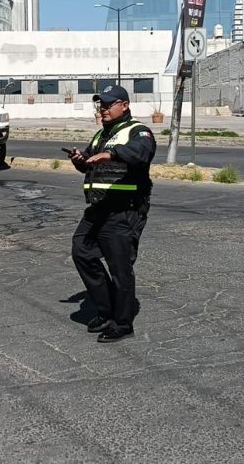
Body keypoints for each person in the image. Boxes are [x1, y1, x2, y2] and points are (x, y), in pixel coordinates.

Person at [67, 86, 156, 343]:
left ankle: (122, 323)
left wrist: (112, 153)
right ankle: (106, 310)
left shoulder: (138, 131)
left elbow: (141, 153)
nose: (103, 109)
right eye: (100, 105)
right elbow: (92, 162)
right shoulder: (102, 135)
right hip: (99, 208)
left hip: (124, 209)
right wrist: (80, 160)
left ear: (124, 105)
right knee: (81, 251)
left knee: (120, 268)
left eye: (108, 105)